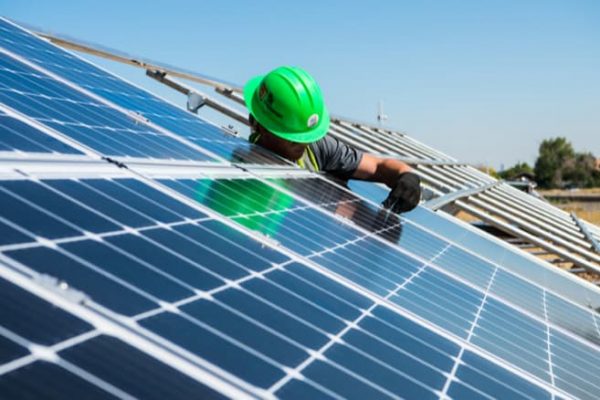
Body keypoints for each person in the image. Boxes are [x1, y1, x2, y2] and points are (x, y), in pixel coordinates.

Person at [243, 66, 421, 214]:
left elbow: (377, 166)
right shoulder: (245, 177)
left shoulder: (316, 148)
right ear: (258, 124)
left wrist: (407, 176)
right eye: (292, 139)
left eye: (307, 136)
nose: (303, 144)